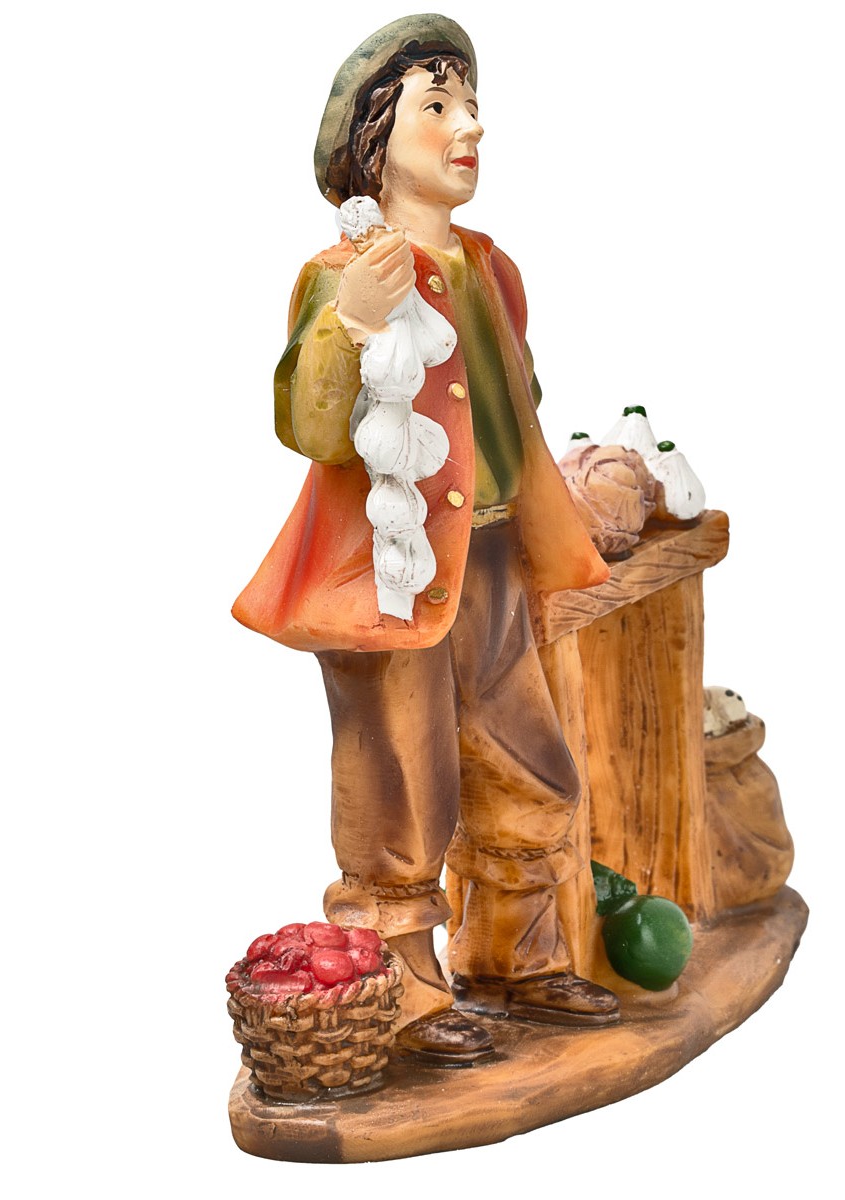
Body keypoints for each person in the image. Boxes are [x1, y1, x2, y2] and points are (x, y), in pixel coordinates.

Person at [233, 14, 619, 1065]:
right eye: (438, 105)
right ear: (374, 138)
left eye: (472, 105)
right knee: (399, 787)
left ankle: (518, 956)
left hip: (489, 558)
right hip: (388, 571)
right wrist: (353, 325)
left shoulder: (490, 267)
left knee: (529, 761)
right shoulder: (344, 273)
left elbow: (514, 406)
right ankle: (406, 992)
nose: (470, 127)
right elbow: (312, 429)